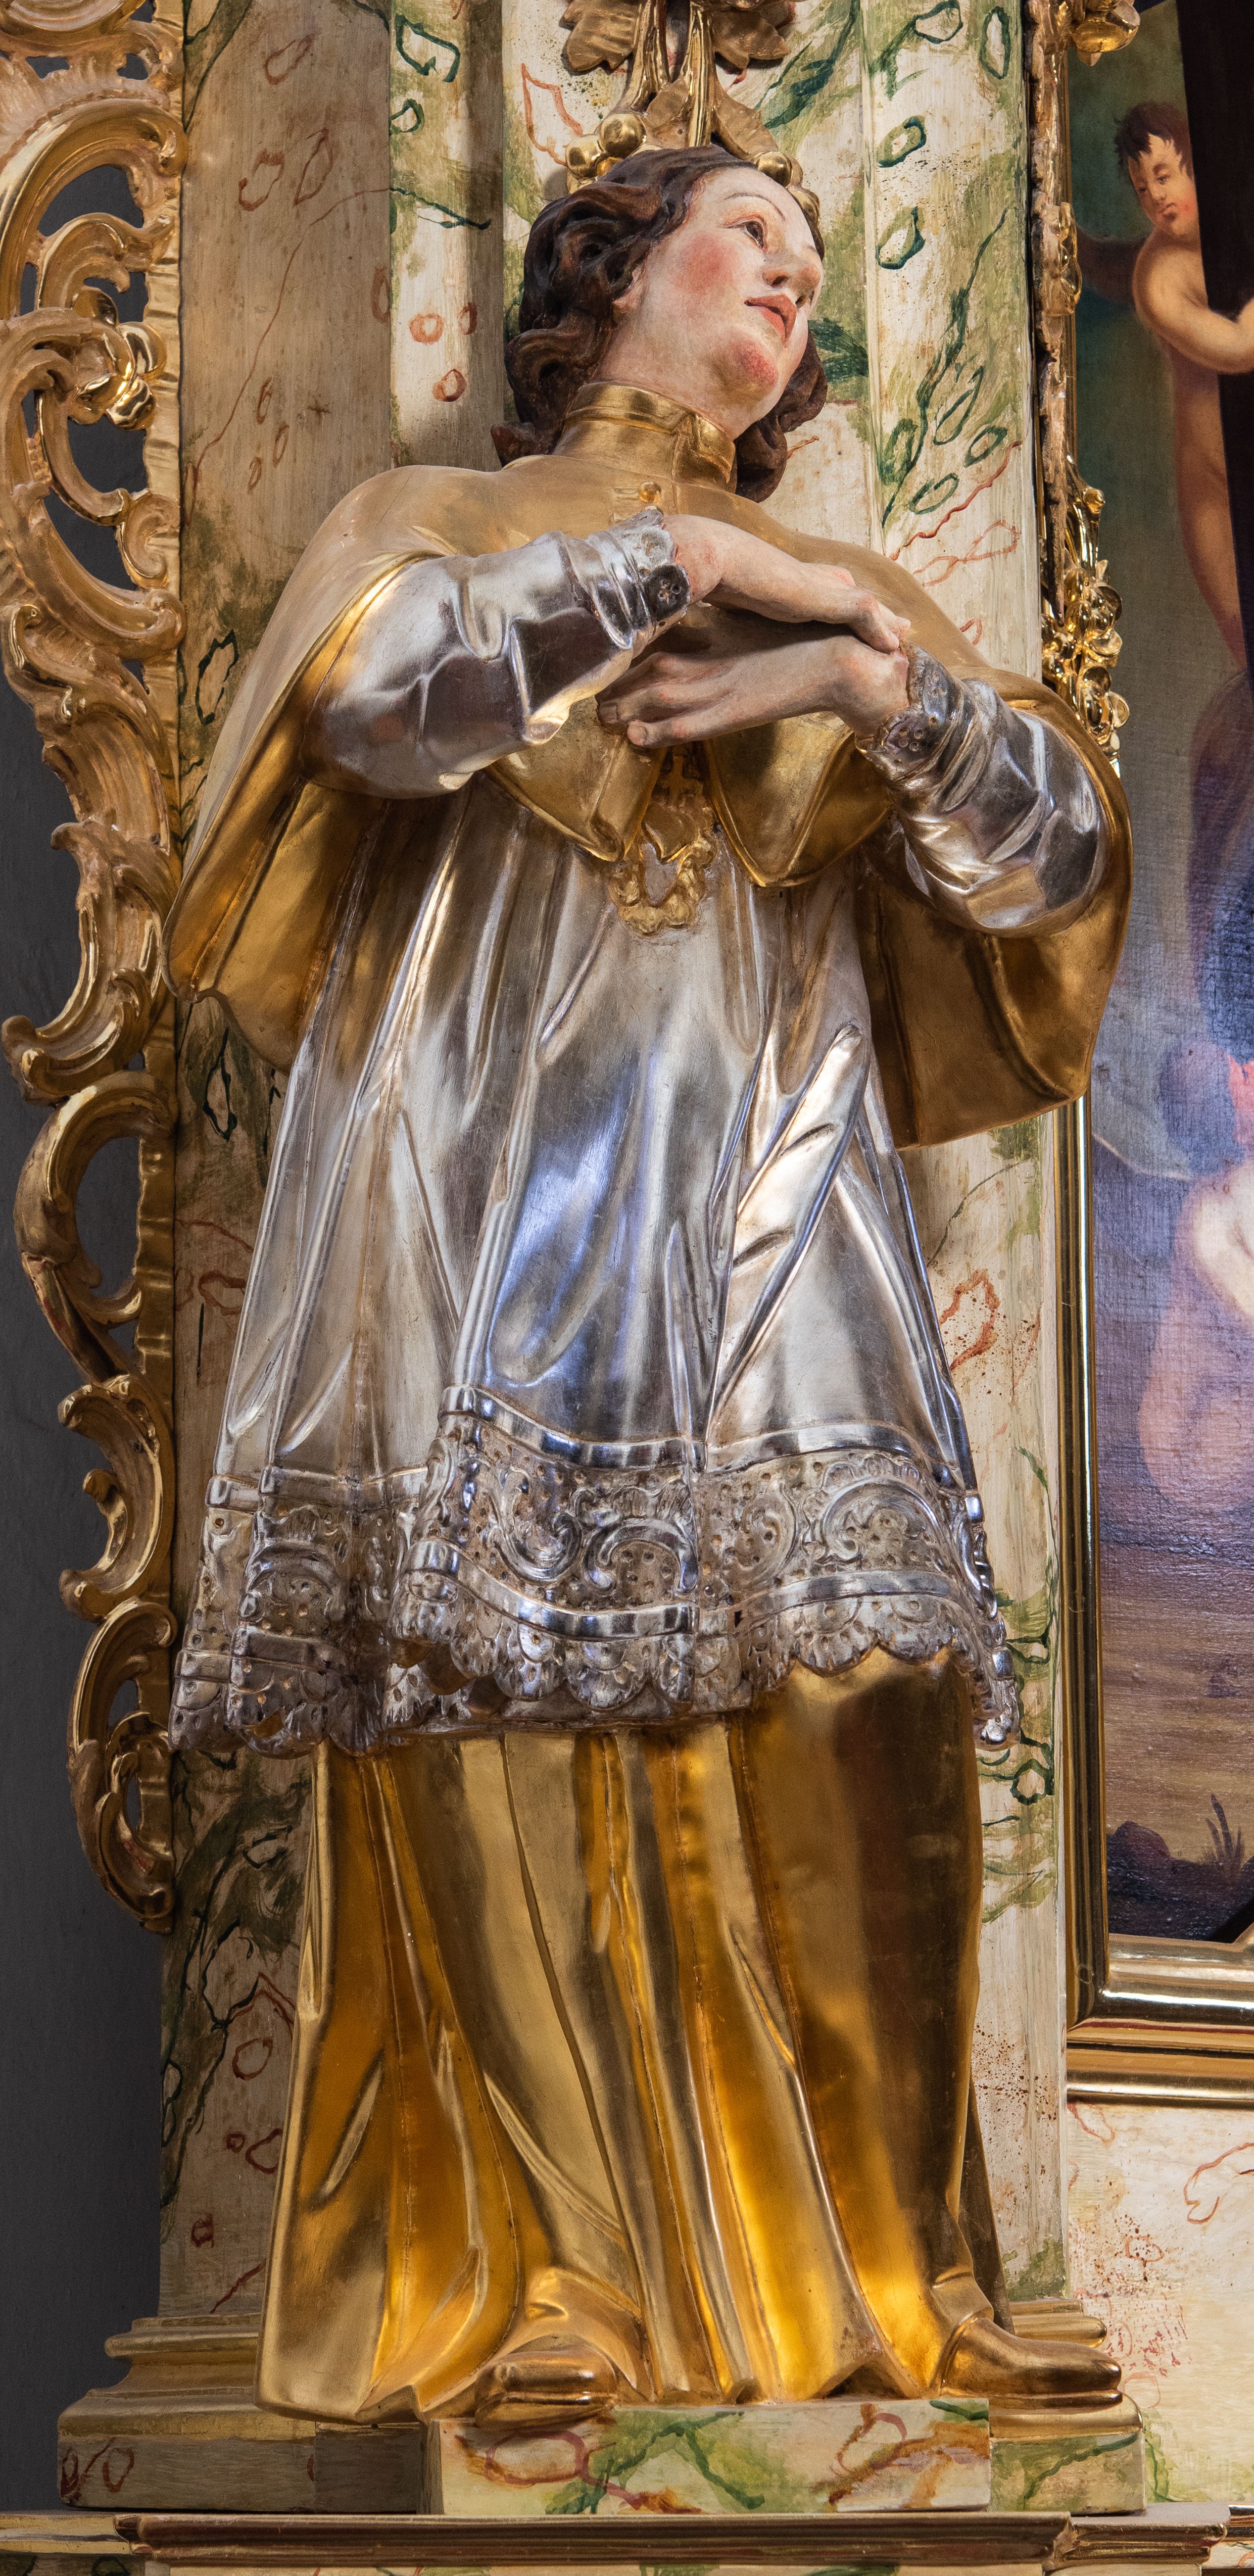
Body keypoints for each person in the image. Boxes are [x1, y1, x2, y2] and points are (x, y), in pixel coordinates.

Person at [164, 146, 1129, 2428]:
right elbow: (375, 709)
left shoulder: (855, 598)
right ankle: (558, 2284)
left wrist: (863, 672)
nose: (791, 279)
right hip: (486, 1192)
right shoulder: (440, 520)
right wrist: (680, 561)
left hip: (776, 1203)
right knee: (494, 1697)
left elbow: (1052, 856)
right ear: (605, 278)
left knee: (870, 1677)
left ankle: (906, 2275)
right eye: (746, 237)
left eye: (814, 259)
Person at [1082, 102, 1254, 665]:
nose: (1156, 197)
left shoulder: (1233, 229)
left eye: (1164, 176)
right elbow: (1241, 348)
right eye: (1142, 188)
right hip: (1214, 497)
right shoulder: (1157, 277)